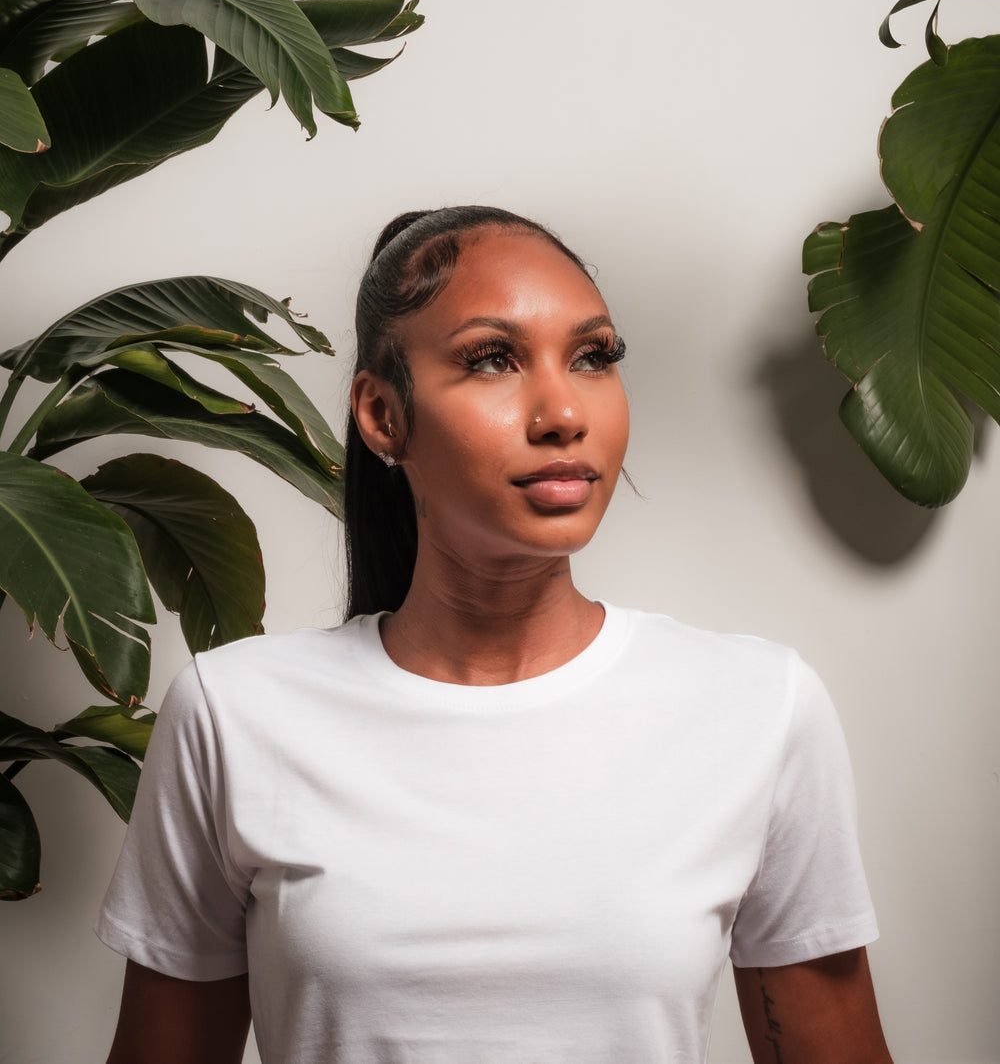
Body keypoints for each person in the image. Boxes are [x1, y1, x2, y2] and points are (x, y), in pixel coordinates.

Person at [98, 206, 894, 1064]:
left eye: (594, 357)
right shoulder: (236, 715)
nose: (561, 412)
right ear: (382, 415)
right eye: (491, 360)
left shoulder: (757, 710)